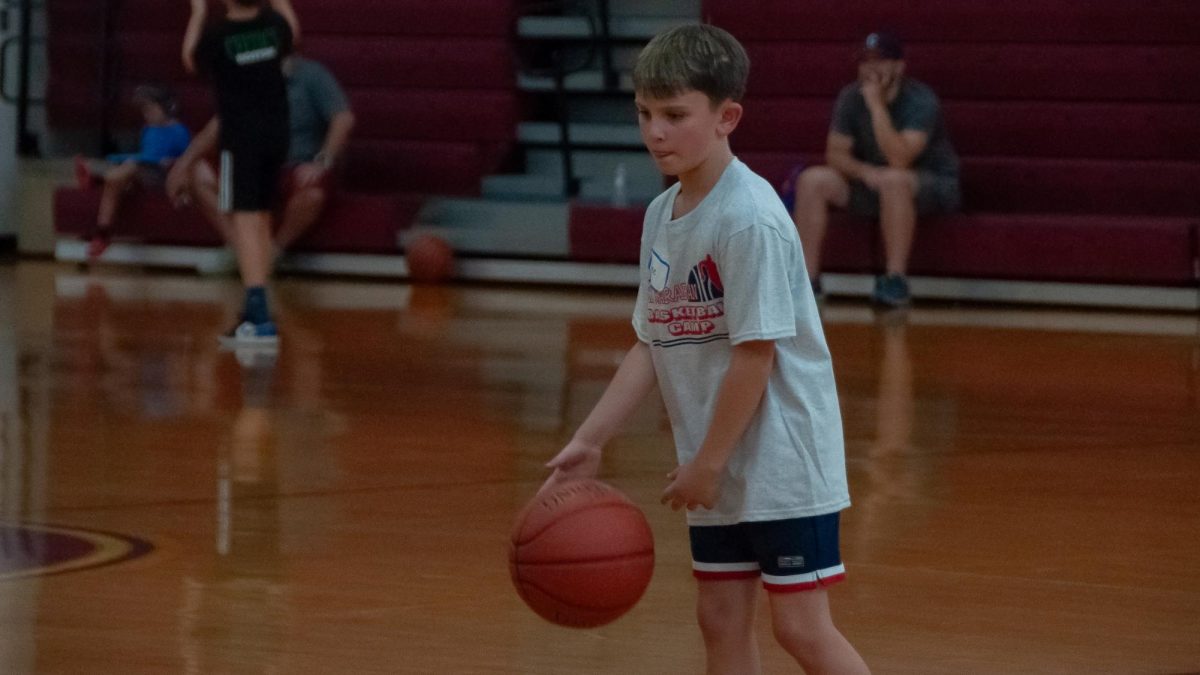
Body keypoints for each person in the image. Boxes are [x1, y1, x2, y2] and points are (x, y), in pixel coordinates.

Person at [541, 24, 870, 675]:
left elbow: (756, 355)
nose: (655, 131)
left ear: (727, 117)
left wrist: (709, 462)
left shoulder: (748, 217)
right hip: (716, 460)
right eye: (644, 114)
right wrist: (592, 436)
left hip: (782, 462)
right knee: (719, 618)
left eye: (673, 115)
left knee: (801, 628)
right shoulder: (661, 215)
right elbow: (651, 341)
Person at [792, 31, 960, 307]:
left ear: (899, 66)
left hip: (931, 185)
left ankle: (895, 280)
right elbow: (835, 154)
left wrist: (875, 105)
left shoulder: (920, 100)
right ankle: (807, 280)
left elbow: (900, 159)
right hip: (873, 181)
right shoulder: (849, 96)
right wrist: (865, 172)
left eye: (879, 61)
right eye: (865, 62)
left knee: (894, 180)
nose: (870, 69)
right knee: (813, 179)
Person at [167, 0, 299, 348]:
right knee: (261, 217)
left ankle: (258, 313)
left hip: (242, 138)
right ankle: (255, 309)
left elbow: (189, 58)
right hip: (277, 135)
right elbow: (294, 32)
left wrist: (196, 12)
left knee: (244, 218)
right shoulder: (274, 26)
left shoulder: (218, 35)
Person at [186, 54, 355, 269]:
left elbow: (343, 119)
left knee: (312, 194)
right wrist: (184, 164)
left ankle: (273, 252)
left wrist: (321, 162)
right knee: (200, 172)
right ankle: (240, 249)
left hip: (295, 164)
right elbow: (219, 123)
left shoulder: (313, 76)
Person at [75, 85, 191, 260]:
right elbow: (147, 155)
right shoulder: (148, 130)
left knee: (128, 168)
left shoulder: (180, 132)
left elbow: (188, 161)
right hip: (144, 173)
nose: (147, 114)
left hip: (165, 178)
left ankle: (98, 179)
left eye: (150, 109)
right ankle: (102, 232)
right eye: (144, 110)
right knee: (123, 172)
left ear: (167, 108)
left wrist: (172, 163)